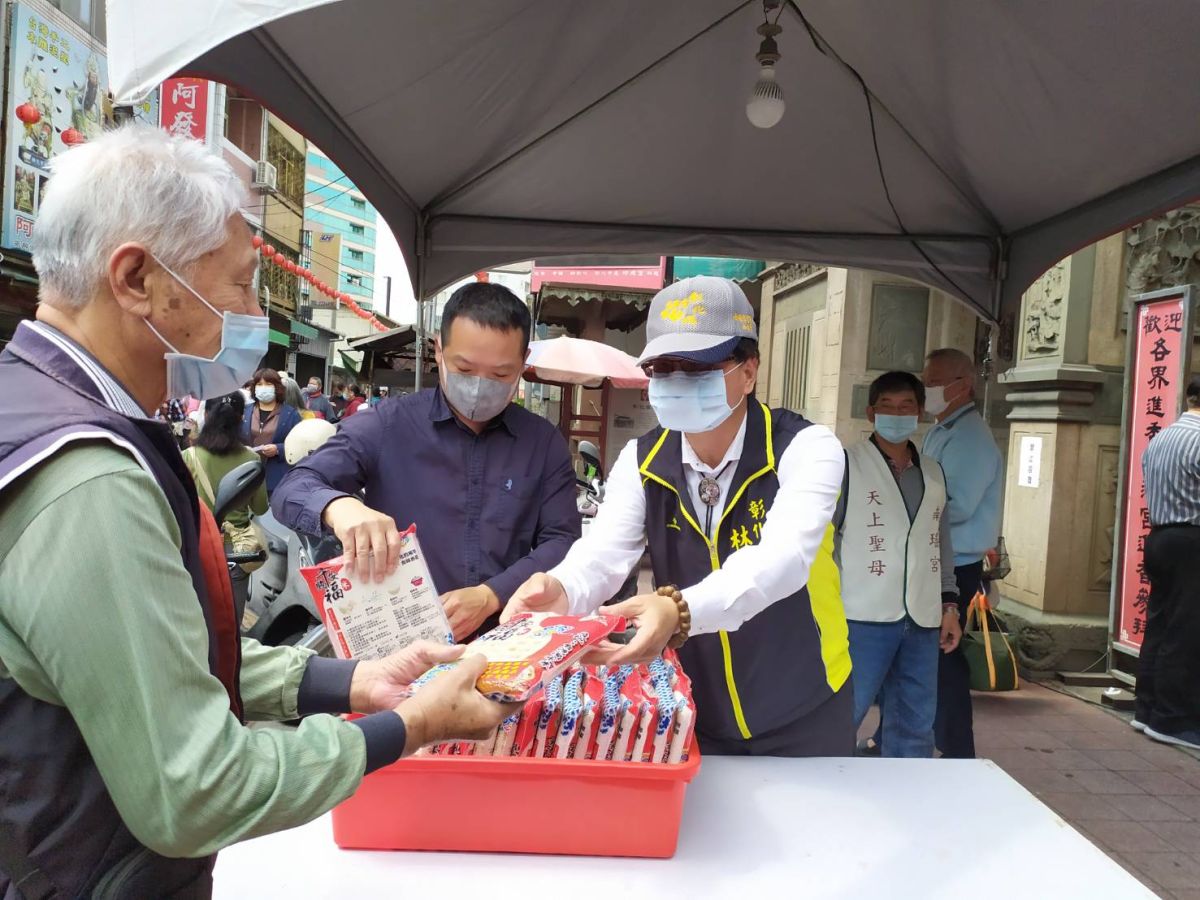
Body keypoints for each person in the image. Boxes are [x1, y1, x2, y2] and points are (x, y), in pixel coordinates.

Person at [0, 125, 509, 896]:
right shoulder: (89, 479)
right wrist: (409, 726)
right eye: (238, 284)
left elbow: (158, 658)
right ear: (136, 278)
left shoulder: (43, 407)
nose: (252, 314)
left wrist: (352, 682)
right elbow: (196, 787)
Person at [504, 276, 853, 757]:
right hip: (692, 707)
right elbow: (604, 554)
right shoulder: (641, 460)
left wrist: (679, 610)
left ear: (748, 371)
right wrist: (560, 588)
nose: (676, 382)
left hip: (805, 704)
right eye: (663, 369)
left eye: (698, 367)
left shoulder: (806, 448)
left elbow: (783, 559)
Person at [273, 281, 581, 641]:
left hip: (505, 644)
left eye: (500, 375)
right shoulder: (387, 424)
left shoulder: (542, 443)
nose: (480, 386)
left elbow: (562, 540)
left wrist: (491, 595)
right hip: (401, 645)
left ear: (523, 363)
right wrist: (338, 507)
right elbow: (291, 489)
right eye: (464, 369)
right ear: (438, 350)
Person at [834, 371, 961, 758]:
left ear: (920, 413)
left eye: (906, 406)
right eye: (886, 406)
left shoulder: (933, 471)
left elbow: (940, 543)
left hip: (921, 619)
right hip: (861, 615)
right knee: (844, 712)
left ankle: (909, 798)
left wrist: (949, 605)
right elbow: (823, 540)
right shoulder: (846, 465)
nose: (897, 414)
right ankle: (823, 792)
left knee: (914, 720)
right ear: (871, 413)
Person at [921, 347, 1003, 759]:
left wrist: (909, 514)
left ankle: (957, 751)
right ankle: (912, 737)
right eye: (926, 381)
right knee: (926, 655)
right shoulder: (943, 428)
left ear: (963, 384)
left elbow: (959, 503)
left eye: (936, 383)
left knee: (944, 656)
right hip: (936, 558)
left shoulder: (969, 437)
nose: (928, 390)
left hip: (958, 564)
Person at [1135, 376, 1200, 750]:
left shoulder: (1164, 436)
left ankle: (1147, 710)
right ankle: (1174, 720)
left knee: (1159, 627)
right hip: (1191, 541)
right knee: (1185, 632)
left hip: (1161, 536)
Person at [182, 391, 268, 620]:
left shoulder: (189, 457)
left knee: (198, 614)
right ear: (241, 418)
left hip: (199, 546)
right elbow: (260, 508)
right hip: (237, 552)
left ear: (207, 415)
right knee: (231, 619)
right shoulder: (251, 459)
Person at [242, 367, 302, 495]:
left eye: (268, 384)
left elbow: (299, 445)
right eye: (259, 384)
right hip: (246, 474)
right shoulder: (245, 411)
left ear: (277, 387)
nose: (263, 387)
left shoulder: (290, 414)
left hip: (276, 477)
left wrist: (278, 449)